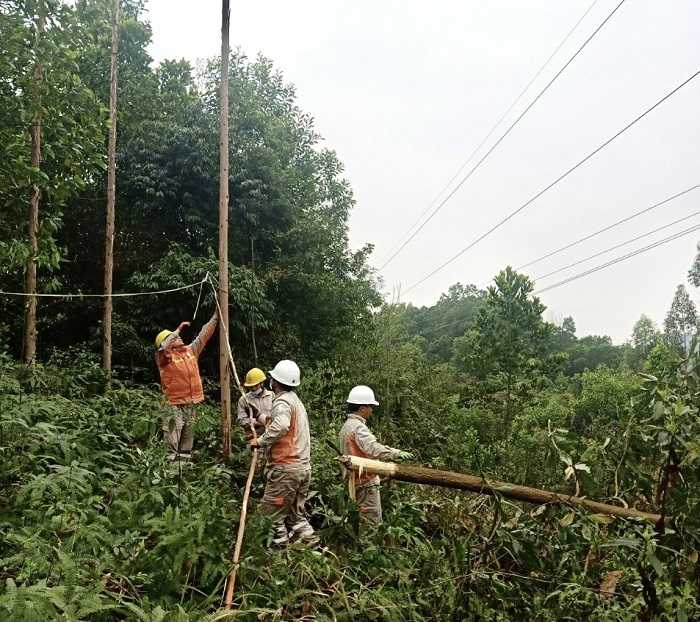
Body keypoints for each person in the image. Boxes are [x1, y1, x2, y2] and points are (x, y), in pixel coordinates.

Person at [249, 360, 318, 547]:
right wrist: (258, 415)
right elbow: (277, 422)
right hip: (302, 469)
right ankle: (317, 551)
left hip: (286, 470)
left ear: (275, 382)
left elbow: (281, 425)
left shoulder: (282, 401)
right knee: (295, 518)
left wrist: (260, 442)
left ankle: (278, 558)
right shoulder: (295, 401)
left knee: (271, 516)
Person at [339, 385, 414, 527]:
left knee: (359, 523)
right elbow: (372, 448)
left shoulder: (347, 425)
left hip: (354, 482)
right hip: (365, 483)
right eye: (370, 406)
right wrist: (395, 453)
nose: (371, 410)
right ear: (362, 408)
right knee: (370, 525)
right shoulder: (358, 427)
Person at [155, 310, 218, 462]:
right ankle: (168, 476)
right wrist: (177, 330)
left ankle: (182, 474)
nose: (178, 337)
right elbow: (164, 348)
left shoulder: (189, 351)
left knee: (186, 445)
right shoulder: (163, 358)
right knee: (171, 445)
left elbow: (203, 336)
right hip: (173, 406)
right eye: (173, 337)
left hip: (191, 404)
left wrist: (215, 317)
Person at [237, 367, 273, 440]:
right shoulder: (243, 400)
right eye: (251, 386)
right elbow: (242, 420)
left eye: (256, 385)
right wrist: (256, 422)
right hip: (253, 437)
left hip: (270, 436)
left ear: (261, 383)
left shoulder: (273, 396)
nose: (253, 388)